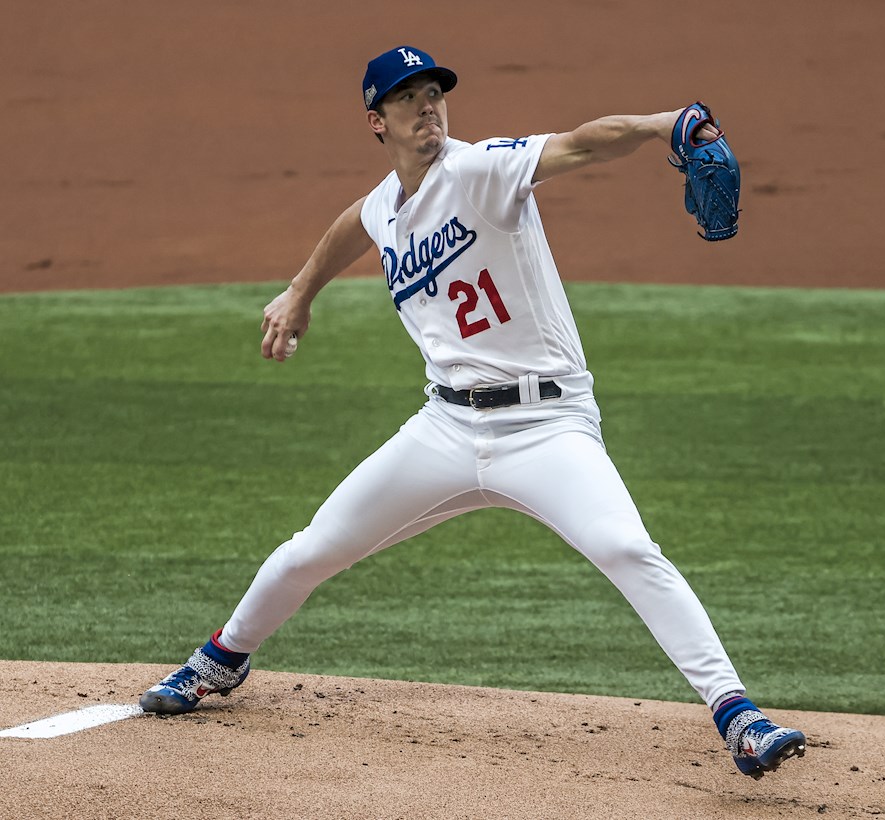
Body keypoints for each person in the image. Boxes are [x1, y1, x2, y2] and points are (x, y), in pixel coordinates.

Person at [140, 45, 806, 779]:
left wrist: (658, 124)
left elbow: (581, 142)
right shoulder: (387, 204)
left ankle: (737, 714)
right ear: (376, 121)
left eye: (434, 93)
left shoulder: (483, 168)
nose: (426, 107)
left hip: (547, 427)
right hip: (445, 430)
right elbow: (356, 223)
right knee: (311, 550)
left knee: (624, 548)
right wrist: (300, 293)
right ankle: (220, 661)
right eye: (407, 99)